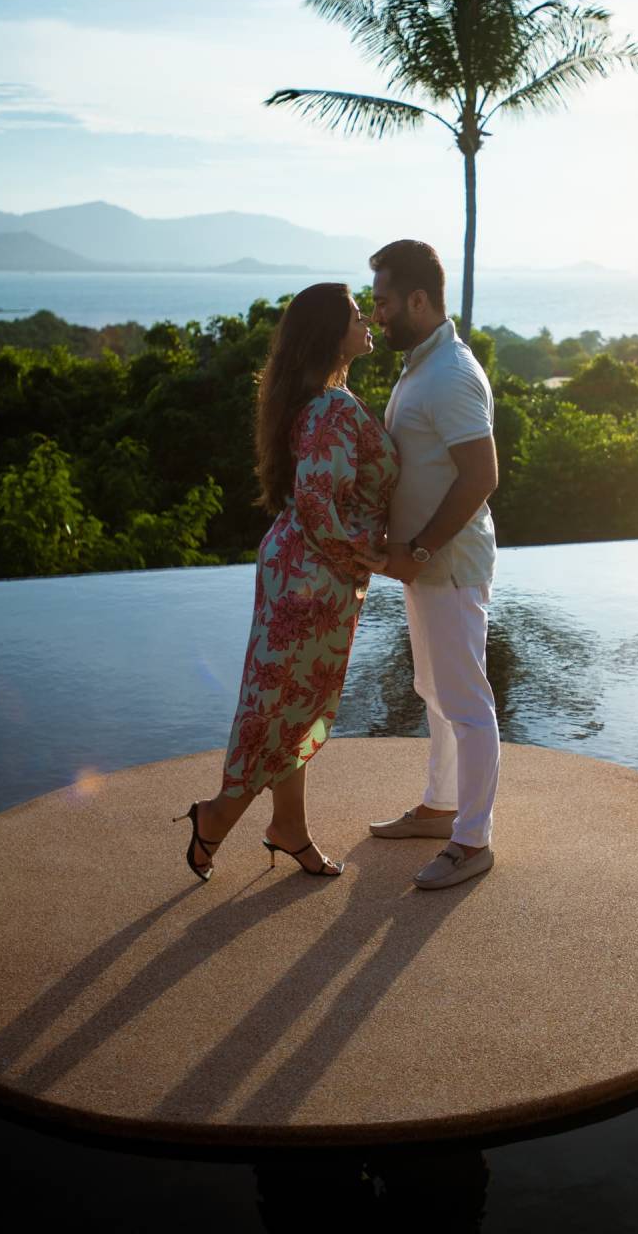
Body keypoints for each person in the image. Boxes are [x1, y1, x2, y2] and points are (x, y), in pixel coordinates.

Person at [174, 283, 398, 881]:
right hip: (312, 578)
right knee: (279, 708)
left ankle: (288, 827)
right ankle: (216, 816)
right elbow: (319, 503)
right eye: (356, 315)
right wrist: (379, 560)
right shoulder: (329, 407)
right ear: (331, 333)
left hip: (302, 568)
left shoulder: (320, 397)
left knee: (290, 706)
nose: (367, 321)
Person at [354, 239, 500, 891]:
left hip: (447, 563)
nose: (375, 314)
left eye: (383, 302)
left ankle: (472, 842)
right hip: (424, 564)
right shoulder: (422, 366)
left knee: (466, 702)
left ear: (418, 300)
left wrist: (417, 550)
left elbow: (480, 477)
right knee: (435, 692)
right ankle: (441, 809)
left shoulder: (451, 374)